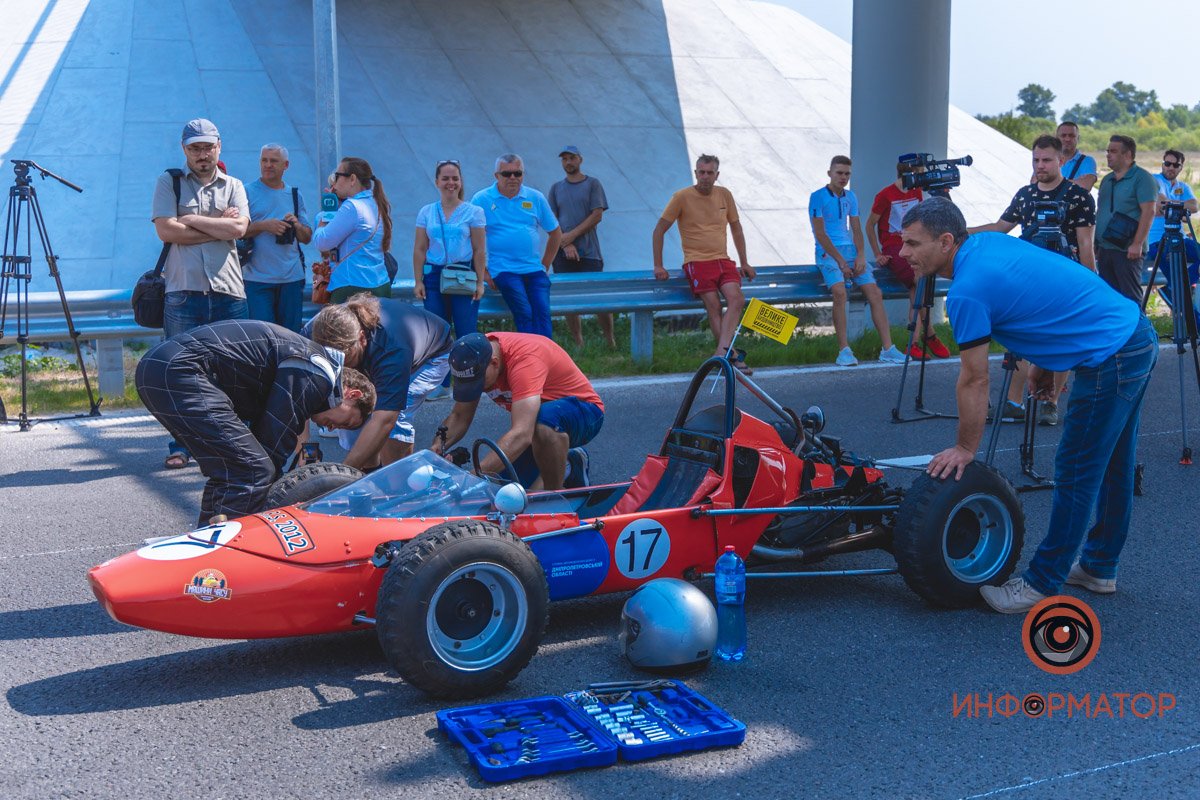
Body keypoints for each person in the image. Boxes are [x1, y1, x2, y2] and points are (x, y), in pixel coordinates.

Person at [899, 198, 1156, 614]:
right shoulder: (983, 246)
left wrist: (965, 449)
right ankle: (1099, 567)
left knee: (1075, 468)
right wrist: (1044, 364)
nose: (903, 253)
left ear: (946, 242)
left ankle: (1042, 581)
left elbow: (974, 377)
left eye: (912, 244)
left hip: (1112, 354)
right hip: (1132, 334)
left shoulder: (966, 290)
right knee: (1113, 464)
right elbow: (1036, 300)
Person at [135, 319, 375, 526]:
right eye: (344, 423)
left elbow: (266, 437)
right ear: (351, 395)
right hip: (182, 370)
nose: (331, 428)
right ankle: (227, 560)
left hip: (162, 367)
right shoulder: (318, 372)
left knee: (232, 471)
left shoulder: (312, 362)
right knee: (253, 471)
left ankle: (204, 554)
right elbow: (274, 438)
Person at [967, 134, 1098, 426]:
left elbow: (1086, 245)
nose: (1040, 165)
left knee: (1061, 339)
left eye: (1047, 160)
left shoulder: (1079, 197)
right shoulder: (1025, 194)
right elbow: (1001, 227)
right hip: (1027, 281)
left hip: (1065, 281)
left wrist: (1092, 286)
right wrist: (963, 232)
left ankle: (1051, 402)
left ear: (1061, 160)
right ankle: (1014, 402)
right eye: (1036, 160)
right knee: (1021, 337)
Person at [151, 118, 250, 470]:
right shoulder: (170, 182)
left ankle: (233, 444)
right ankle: (182, 445)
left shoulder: (234, 185)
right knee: (181, 373)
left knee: (234, 373)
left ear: (219, 146)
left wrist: (189, 220)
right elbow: (165, 230)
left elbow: (239, 227)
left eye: (208, 147)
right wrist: (217, 226)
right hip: (183, 291)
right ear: (185, 150)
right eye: (195, 148)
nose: (202, 154)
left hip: (228, 291)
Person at [431, 332, 603, 491]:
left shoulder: (525, 361)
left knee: (544, 423)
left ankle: (553, 497)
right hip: (537, 422)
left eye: (478, 383)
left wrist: (473, 478)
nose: (476, 388)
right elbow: (460, 416)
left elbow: (521, 434)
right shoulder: (474, 356)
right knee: (507, 488)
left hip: (585, 413)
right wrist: (436, 449)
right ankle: (569, 464)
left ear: (495, 363)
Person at [306, 294, 453, 469]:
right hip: (376, 354)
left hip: (431, 355)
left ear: (361, 338)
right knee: (348, 412)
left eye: (346, 359)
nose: (342, 367)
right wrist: (307, 454)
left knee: (395, 420)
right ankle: (368, 476)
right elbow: (297, 403)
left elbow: (385, 420)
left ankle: (398, 484)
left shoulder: (391, 350)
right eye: (335, 362)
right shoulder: (312, 336)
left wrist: (339, 475)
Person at [652, 154, 755, 373]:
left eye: (710, 173)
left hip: (723, 260)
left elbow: (736, 228)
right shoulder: (681, 197)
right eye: (701, 172)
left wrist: (744, 261)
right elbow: (659, 230)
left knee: (737, 298)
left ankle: (722, 353)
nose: (705, 177)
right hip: (697, 262)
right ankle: (732, 356)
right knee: (714, 305)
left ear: (717, 175)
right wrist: (658, 265)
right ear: (696, 173)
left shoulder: (724, 195)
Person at [809, 156, 907, 367]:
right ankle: (844, 350)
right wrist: (841, 262)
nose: (843, 177)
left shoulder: (851, 197)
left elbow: (856, 228)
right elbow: (820, 234)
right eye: (839, 173)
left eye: (847, 174)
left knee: (875, 293)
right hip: (828, 252)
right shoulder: (817, 197)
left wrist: (861, 255)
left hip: (850, 251)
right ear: (830, 173)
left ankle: (888, 349)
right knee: (839, 293)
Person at [413, 159, 488, 401]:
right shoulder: (427, 211)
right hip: (434, 276)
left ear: (460, 181)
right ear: (437, 182)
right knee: (437, 333)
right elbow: (420, 248)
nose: (450, 183)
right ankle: (441, 384)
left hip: (463, 274)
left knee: (466, 333)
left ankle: (472, 382)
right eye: (445, 178)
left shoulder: (474, 212)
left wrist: (479, 282)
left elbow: (479, 249)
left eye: (455, 178)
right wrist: (418, 280)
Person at [866, 159, 950, 361]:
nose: (921, 179)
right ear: (908, 174)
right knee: (918, 280)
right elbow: (870, 225)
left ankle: (915, 342)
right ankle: (927, 335)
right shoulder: (885, 195)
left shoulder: (916, 192)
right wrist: (878, 253)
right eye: (918, 174)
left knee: (917, 287)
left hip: (914, 243)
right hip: (895, 247)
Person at [471, 154, 561, 338]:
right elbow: (468, 237)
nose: (513, 178)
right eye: (507, 174)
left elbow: (555, 232)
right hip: (504, 270)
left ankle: (546, 359)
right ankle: (528, 360)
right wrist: (484, 273)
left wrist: (545, 264)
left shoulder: (535, 197)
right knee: (525, 312)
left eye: (517, 173)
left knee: (543, 314)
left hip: (534, 269)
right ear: (497, 175)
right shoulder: (482, 199)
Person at [549, 145, 615, 348]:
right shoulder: (556, 188)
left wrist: (571, 237)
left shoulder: (593, 184)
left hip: (590, 252)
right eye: (565, 159)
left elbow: (597, 215)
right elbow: (551, 220)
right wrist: (564, 243)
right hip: (562, 253)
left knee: (599, 298)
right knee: (570, 300)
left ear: (580, 160)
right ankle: (579, 342)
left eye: (572, 158)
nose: (568, 162)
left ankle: (609, 340)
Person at [242, 143, 312, 332]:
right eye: (264, 160)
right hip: (257, 279)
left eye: (274, 161)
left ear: (285, 165)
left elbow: (307, 238)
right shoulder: (246, 192)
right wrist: (265, 226)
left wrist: (296, 225)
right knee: (262, 336)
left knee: (291, 337)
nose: (268, 165)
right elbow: (236, 231)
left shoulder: (295, 195)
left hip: (291, 279)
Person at [312, 156, 392, 303]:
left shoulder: (352, 207)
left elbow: (321, 242)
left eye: (337, 176)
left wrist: (326, 213)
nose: (335, 183)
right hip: (379, 283)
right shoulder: (375, 202)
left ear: (352, 179)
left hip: (352, 287)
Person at [1095, 135, 1157, 302]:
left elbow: (1149, 211)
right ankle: (1114, 329)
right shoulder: (1107, 180)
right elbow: (1101, 211)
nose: (1108, 155)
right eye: (1108, 151)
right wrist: (1095, 243)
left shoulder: (1142, 178)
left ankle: (1138, 328)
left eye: (1113, 151)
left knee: (1130, 297)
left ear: (1128, 155)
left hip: (1128, 250)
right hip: (1105, 247)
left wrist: (1137, 244)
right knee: (1109, 296)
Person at [1056, 121, 1098, 192]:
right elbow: (1035, 182)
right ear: (1056, 138)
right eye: (1063, 135)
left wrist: (1051, 183)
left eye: (1071, 136)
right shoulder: (1048, 159)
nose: (1067, 139)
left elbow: (1086, 185)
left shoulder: (1087, 161)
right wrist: (1075, 181)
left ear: (1078, 138)